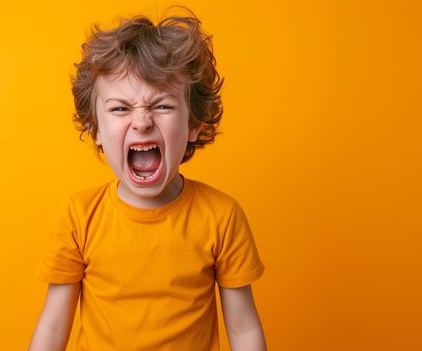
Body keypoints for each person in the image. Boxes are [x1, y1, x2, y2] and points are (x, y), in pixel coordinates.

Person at [29, 9, 266, 351]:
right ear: (95, 129)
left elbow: (244, 330)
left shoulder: (222, 216)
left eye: (163, 106)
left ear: (194, 125)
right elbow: (52, 327)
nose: (141, 122)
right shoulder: (78, 216)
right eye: (120, 109)